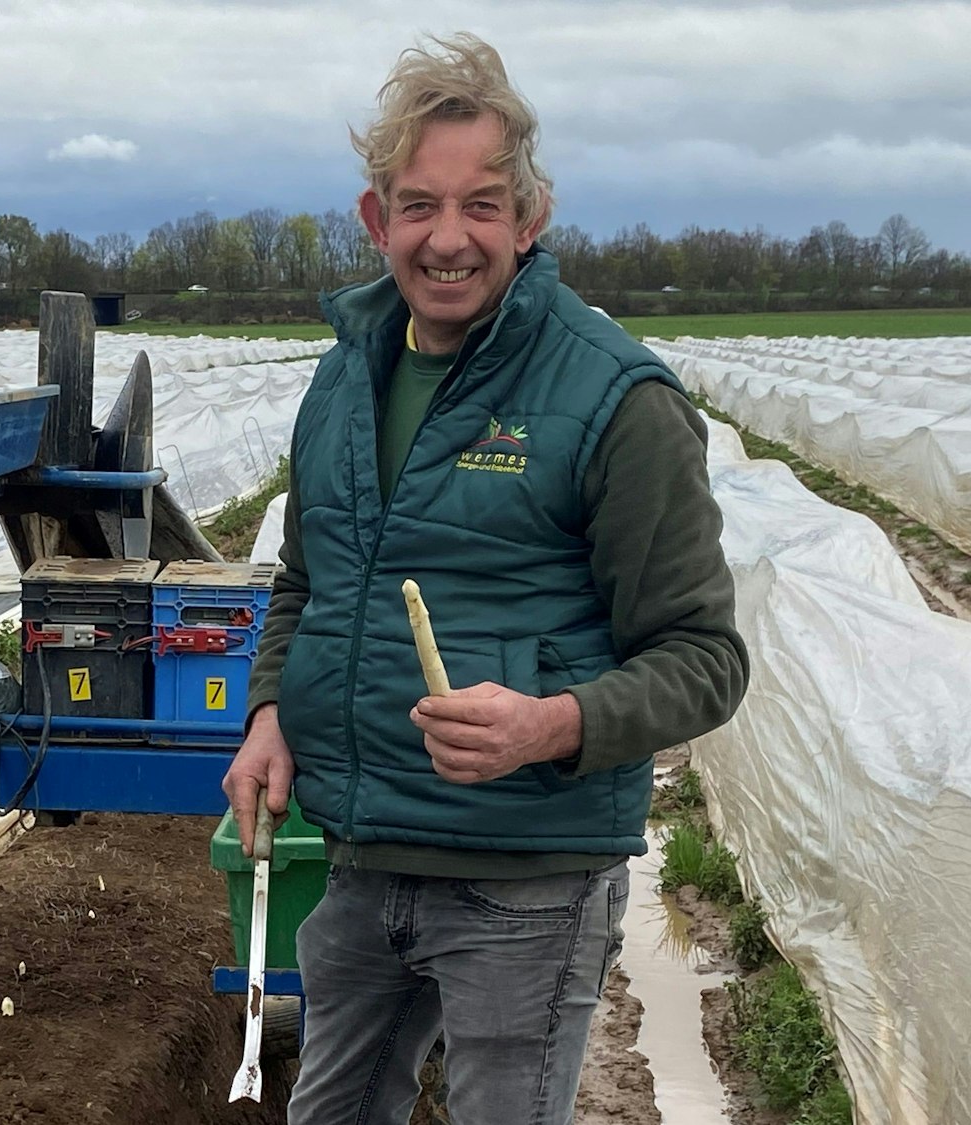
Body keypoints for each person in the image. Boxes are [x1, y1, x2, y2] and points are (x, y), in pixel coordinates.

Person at [221, 33, 750, 1125]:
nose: (447, 239)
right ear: (376, 221)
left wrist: (548, 723)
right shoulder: (341, 380)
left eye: (479, 205)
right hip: (362, 857)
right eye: (418, 206)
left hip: (527, 879)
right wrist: (269, 709)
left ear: (530, 216)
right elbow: (305, 581)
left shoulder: (612, 397)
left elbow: (703, 660)